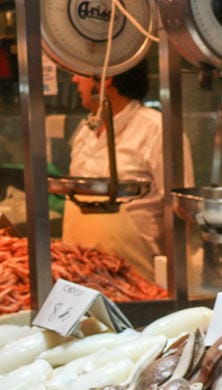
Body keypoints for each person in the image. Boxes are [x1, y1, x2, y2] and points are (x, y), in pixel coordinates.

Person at [63, 60, 193, 278]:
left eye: (81, 74)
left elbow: (181, 212)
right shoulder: (84, 132)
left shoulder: (158, 130)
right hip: (80, 274)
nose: (74, 79)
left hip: (139, 277)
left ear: (107, 77)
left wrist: (172, 279)